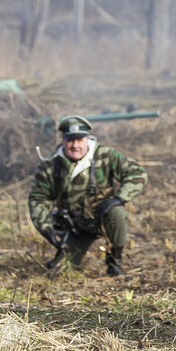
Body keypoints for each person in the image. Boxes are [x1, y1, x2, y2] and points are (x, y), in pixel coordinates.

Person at [28, 115, 147, 276]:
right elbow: (37, 198)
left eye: (80, 140)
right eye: (70, 140)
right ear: (62, 140)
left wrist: (118, 198)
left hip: (102, 217)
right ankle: (64, 257)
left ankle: (114, 261)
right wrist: (48, 230)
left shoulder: (105, 155)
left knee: (117, 213)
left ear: (87, 139)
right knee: (61, 272)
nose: (75, 145)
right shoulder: (50, 164)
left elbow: (137, 173)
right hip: (74, 226)